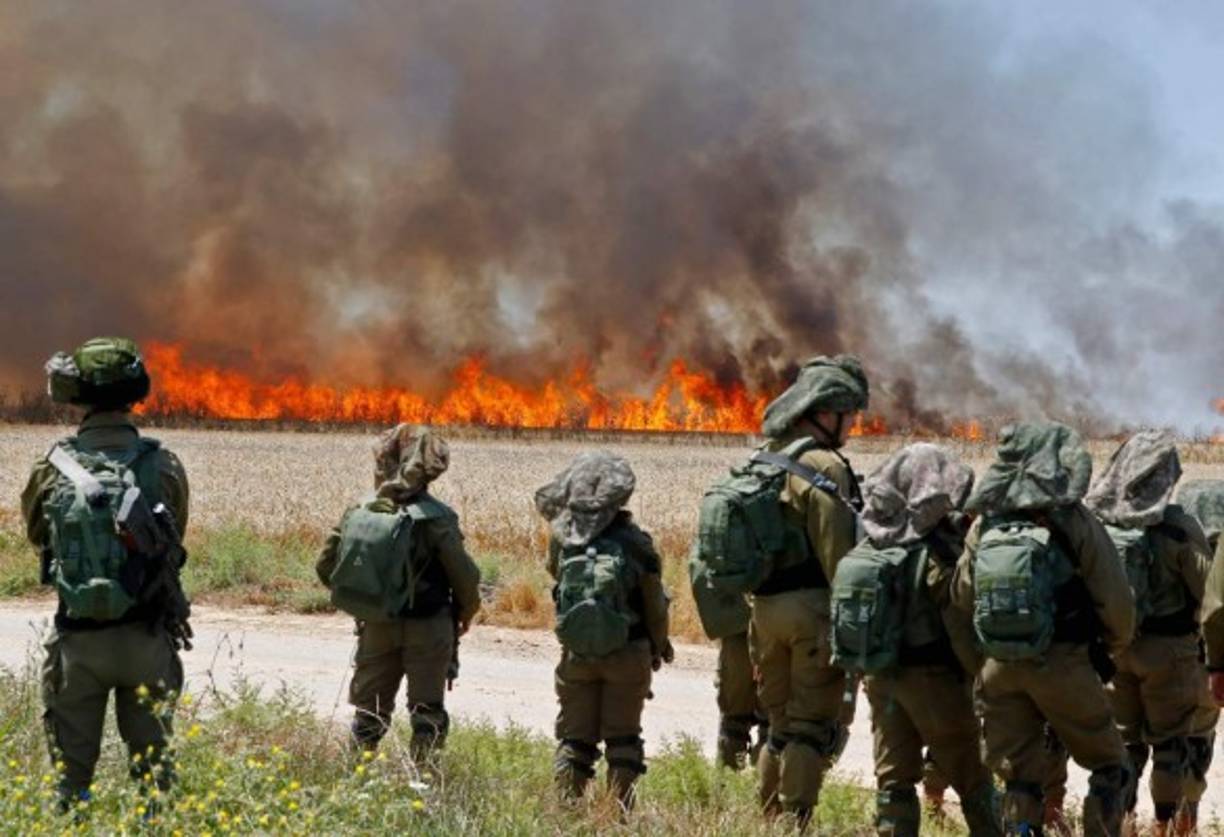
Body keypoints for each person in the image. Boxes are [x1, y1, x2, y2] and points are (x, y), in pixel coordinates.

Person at [22, 337, 191, 811]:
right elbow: (173, 544)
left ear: (75, 394)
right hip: (146, 637)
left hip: (78, 645)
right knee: (155, 781)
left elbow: (40, 537)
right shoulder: (163, 465)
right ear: (136, 390)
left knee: (69, 784)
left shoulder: (51, 467)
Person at [951, 422, 1135, 837]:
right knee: (1110, 766)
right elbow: (1115, 601)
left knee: (1019, 778)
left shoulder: (985, 524)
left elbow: (962, 596)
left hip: (1000, 668)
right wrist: (1111, 651)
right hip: (1062, 663)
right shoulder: (1074, 521)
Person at [840, 443, 1000, 836]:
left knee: (894, 779)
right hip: (934, 679)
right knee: (973, 777)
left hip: (881, 675)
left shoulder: (875, 538)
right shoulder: (936, 547)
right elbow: (959, 612)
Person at [748, 354, 867, 826]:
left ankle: (766, 817)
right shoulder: (824, 467)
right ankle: (796, 821)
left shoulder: (765, 458)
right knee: (808, 729)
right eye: (848, 415)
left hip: (764, 612)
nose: (853, 424)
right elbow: (842, 559)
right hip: (810, 613)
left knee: (777, 726)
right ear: (824, 412)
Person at [316, 424, 481, 759]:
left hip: (376, 625)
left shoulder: (360, 511)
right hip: (429, 628)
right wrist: (466, 612)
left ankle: (356, 781)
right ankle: (425, 785)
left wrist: (367, 598)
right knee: (427, 715)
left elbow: (325, 565)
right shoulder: (438, 518)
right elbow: (465, 578)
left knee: (368, 717)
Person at [1085, 431, 1212, 835]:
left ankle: (1120, 822)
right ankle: (1164, 825)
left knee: (1126, 745)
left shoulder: (1099, 523)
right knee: (1170, 745)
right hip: (1170, 655)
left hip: (1115, 651)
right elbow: (1208, 592)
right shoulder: (1177, 527)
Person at [536, 451, 672, 810]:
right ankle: (616, 816)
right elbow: (654, 604)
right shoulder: (635, 542)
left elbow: (556, 577)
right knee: (623, 740)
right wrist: (659, 647)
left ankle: (565, 814)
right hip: (628, 652)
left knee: (574, 739)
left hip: (577, 654)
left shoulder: (563, 538)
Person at [688, 556, 767, 769]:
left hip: (737, 626)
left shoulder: (736, 526)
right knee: (774, 725)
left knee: (733, 722)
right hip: (776, 620)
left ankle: (724, 793)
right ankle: (771, 797)